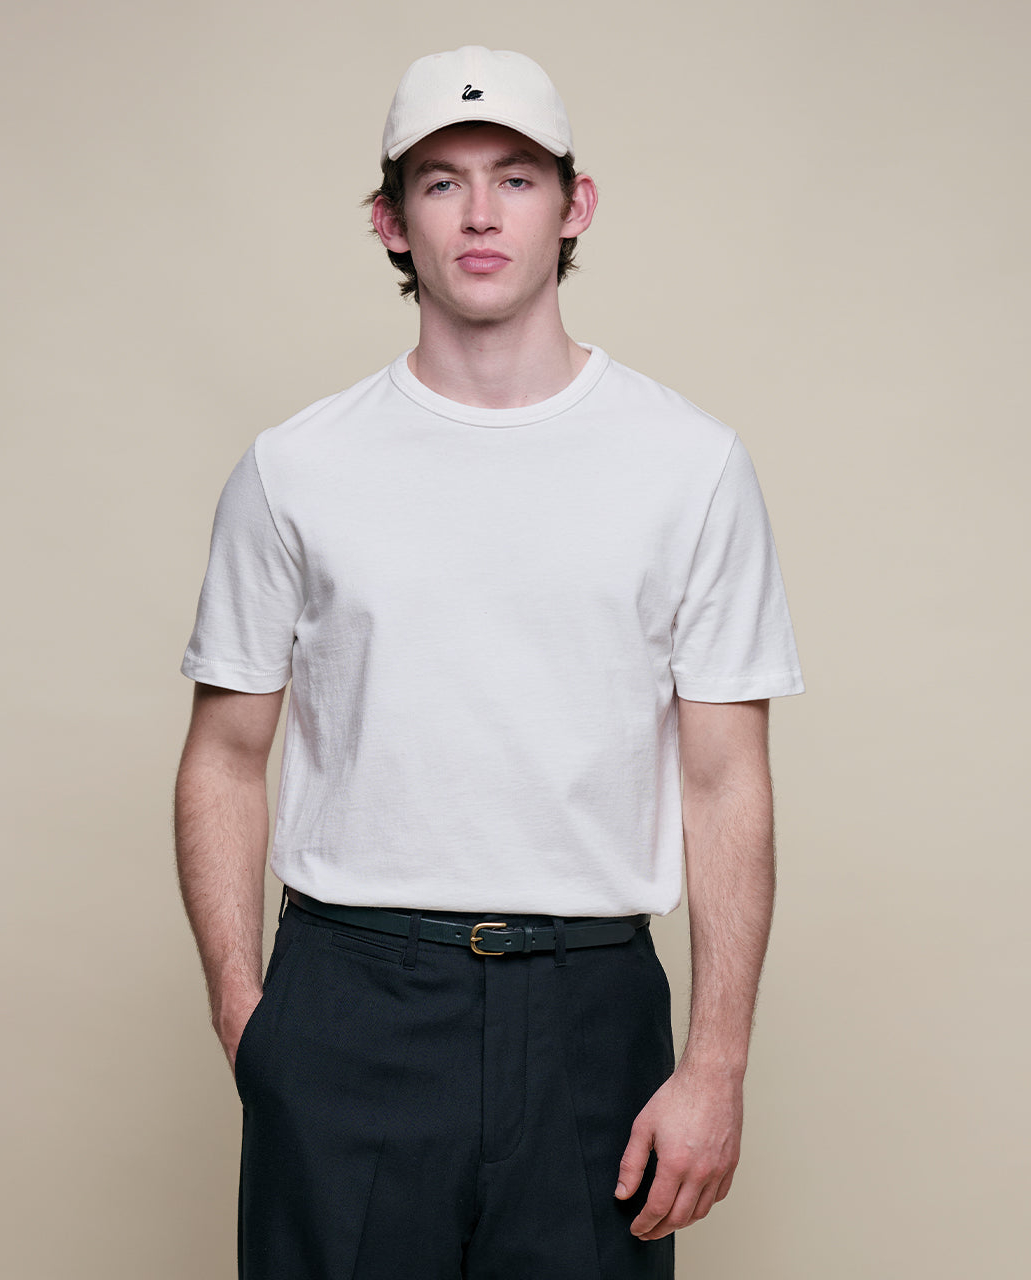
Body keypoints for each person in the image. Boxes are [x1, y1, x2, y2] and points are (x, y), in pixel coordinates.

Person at [175, 45, 803, 1280]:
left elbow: (727, 777)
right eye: (440, 180)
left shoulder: (689, 464)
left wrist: (717, 1061)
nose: (478, 212)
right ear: (389, 220)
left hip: (590, 1008)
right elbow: (225, 754)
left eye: (515, 177)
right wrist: (250, 1017)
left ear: (575, 205)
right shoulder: (297, 467)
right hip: (351, 995)